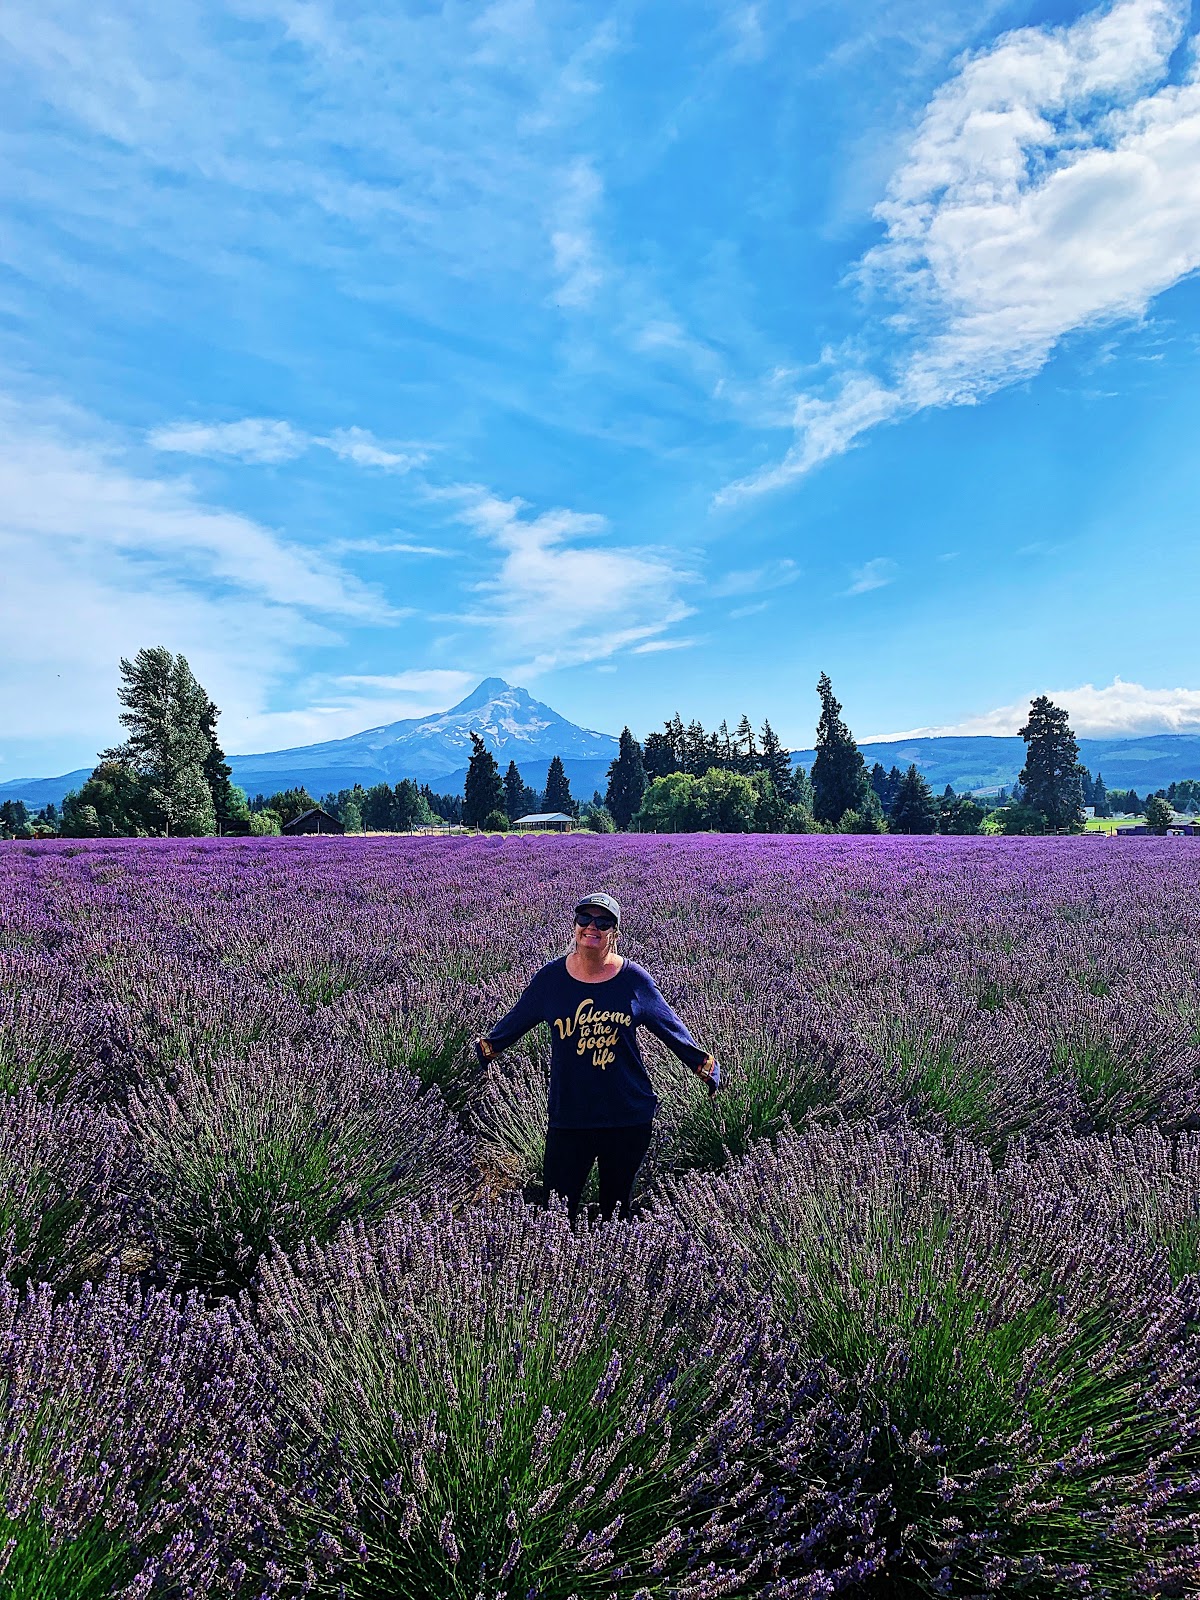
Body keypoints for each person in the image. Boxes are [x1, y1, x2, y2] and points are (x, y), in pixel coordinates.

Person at [474, 892, 721, 1221]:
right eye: (585, 919)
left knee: (615, 1211)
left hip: (627, 1117)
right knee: (557, 1210)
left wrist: (704, 1066)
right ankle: (561, 1270)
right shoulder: (551, 980)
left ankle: (611, 1269)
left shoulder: (633, 980)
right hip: (570, 1116)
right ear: (575, 926)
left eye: (603, 922)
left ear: (614, 932)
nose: (592, 927)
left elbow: (670, 1027)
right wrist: (483, 1050)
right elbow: (516, 1020)